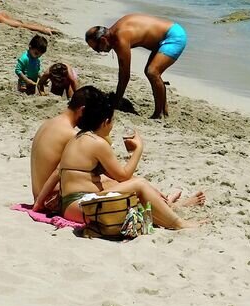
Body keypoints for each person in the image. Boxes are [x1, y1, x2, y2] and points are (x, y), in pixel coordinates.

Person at [54, 88, 202, 229]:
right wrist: (138, 149)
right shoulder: (97, 143)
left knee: (129, 189)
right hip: (82, 205)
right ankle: (179, 223)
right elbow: (123, 176)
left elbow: (115, 176)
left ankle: (168, 205)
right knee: (140, 184)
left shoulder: (77, 138)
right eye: (112, 121)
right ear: (106, 122)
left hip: (69, 206)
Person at [86, 14, 188, 119]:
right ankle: (163, 109)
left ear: (103, 40)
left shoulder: (120, 39)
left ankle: (158, 114)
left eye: (97, 48)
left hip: (174, 37)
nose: (98, 51)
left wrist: (115, 103)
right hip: (168, 32)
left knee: (152, 72)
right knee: (151, 72)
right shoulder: (115, 31)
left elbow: (125, 76)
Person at [29, 85, 99, 214]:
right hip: (52, 199)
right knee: (112, 183)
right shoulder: (69, 134)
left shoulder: (48, 124)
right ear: (82, 110)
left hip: (39, 194)